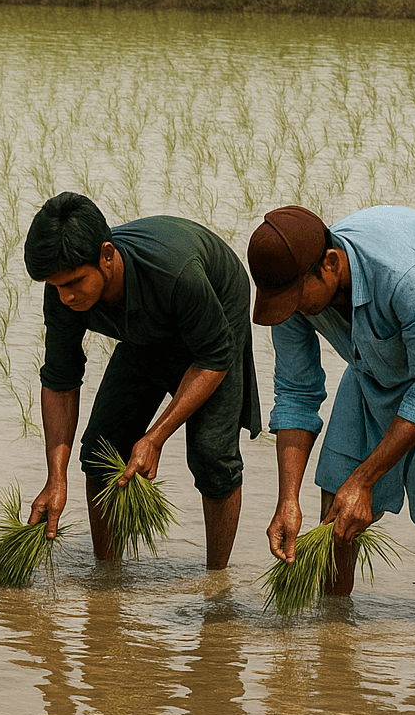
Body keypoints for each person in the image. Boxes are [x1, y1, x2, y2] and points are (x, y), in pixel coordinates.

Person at [251, 204, 415, 620]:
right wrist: (287, 499)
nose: (290, 309)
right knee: (336, 485)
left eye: (295, 297)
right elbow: (295, 392)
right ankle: (334, 623)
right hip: (375, 354)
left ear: (330, 264)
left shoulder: (400, 273)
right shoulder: (289, 298)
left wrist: (365, 480)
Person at [24, 192, 260, 569]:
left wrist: (154, 436)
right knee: (100, 451)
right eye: (55, 285)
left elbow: (214, 357)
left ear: (106, 255)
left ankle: (216, 578)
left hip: (213, 317)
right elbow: (60, 380)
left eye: (74, 282)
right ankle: (107, 575)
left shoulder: (174, 273)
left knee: (211, 453)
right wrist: (56, 478)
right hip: (145, 329)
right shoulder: (62, 292)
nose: (65, 295)